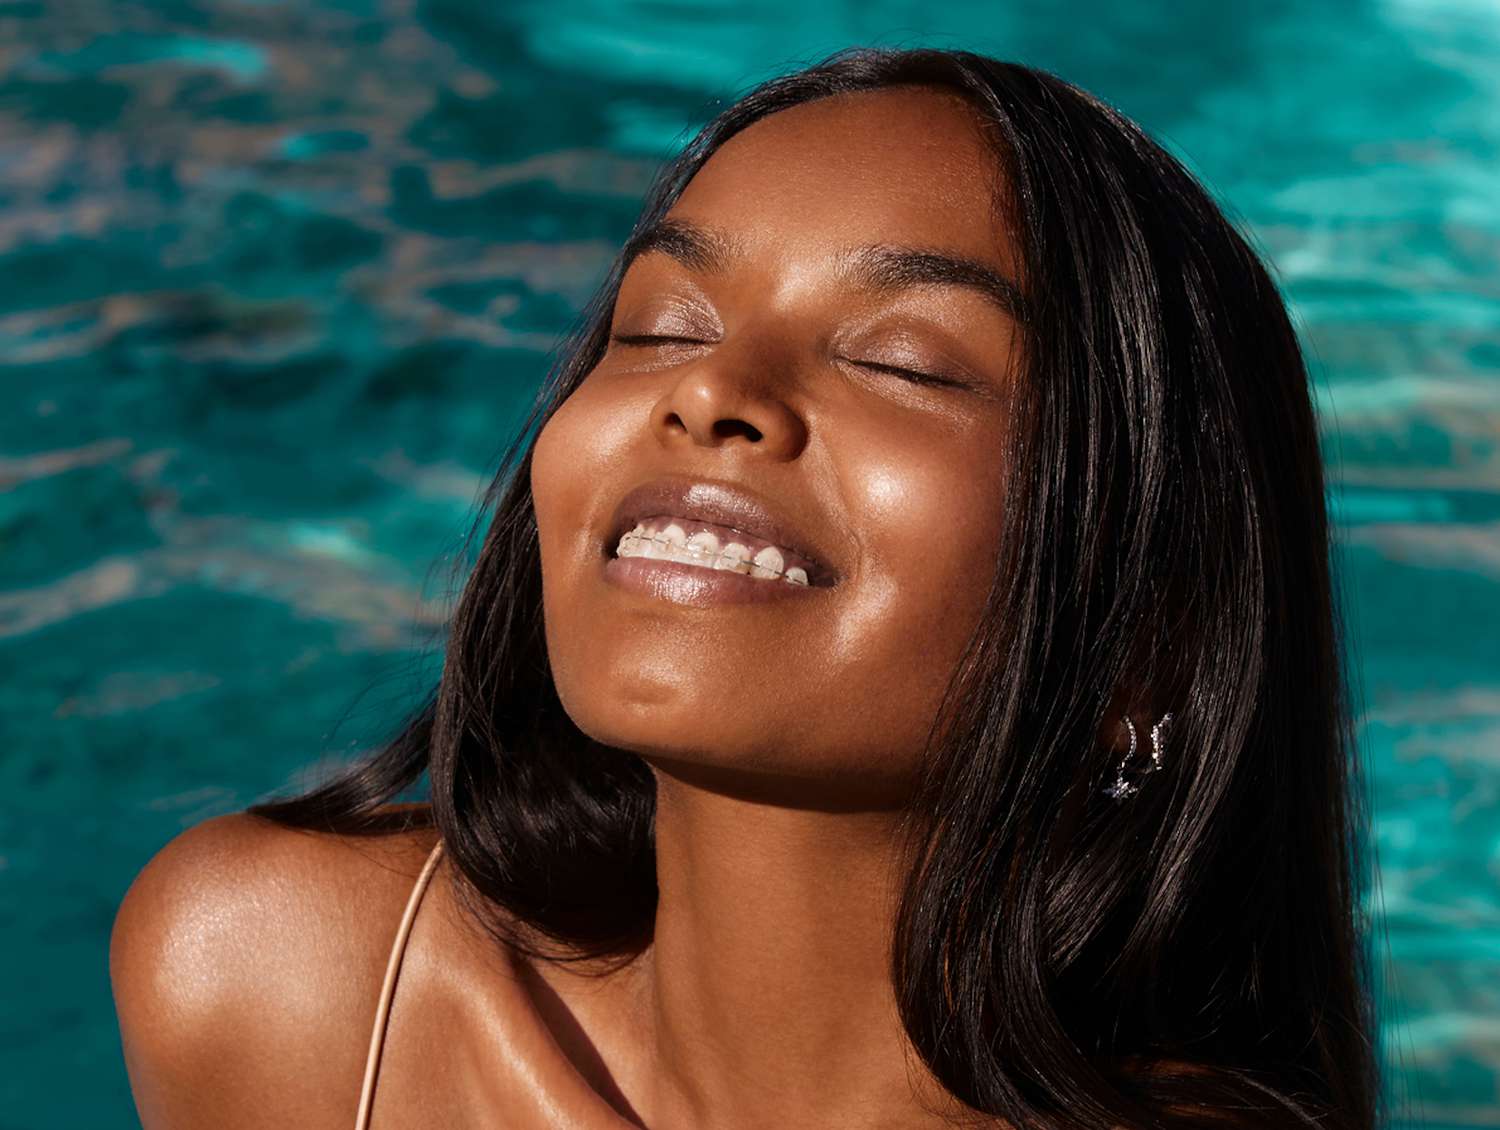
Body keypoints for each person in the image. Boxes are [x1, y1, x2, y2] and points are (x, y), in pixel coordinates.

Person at [109, 46, 1382, 1129]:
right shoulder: (281, 973)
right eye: (661, 326)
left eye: (905, 361)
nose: (711, 388)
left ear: (1150, 640)